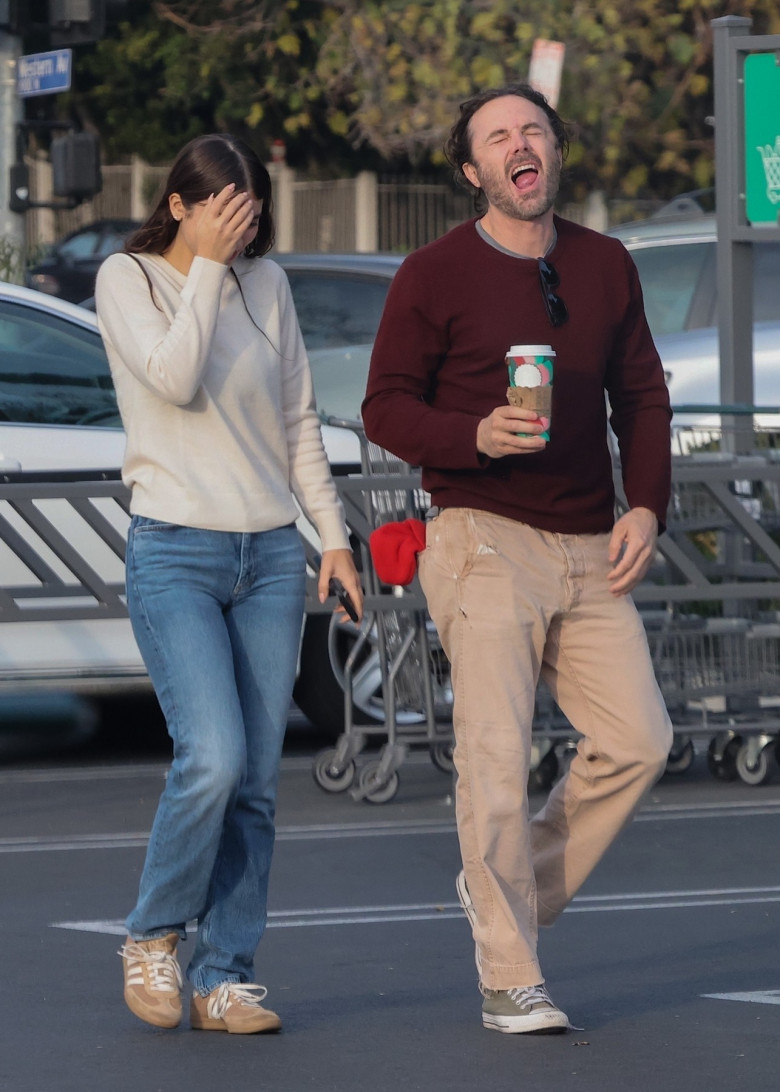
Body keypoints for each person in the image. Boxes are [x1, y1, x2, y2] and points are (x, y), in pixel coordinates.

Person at [362, 84, 673, 1035]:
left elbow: (645, 396)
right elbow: (384, 408)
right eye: (498, 137)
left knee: (641, 740)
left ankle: (506, 893)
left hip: (589, 544)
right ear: (474, 172)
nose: (519, 143)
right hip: (482, 532)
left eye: (532, 128)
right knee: (495, 758)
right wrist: (474, 435)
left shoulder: (607, 263)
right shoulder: (433, 271)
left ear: (554, 152)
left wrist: (649, 504)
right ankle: (510, 978)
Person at [95, 133, 362, 1034]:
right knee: (209, 757)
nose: (240, 227)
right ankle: (152, 935)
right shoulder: (126, 280)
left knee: (254, 779)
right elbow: (171, 381)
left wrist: (332, 537)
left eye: (251, 212)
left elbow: (296, 420)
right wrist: (207, 268)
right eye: (223, 208)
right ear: (181, 204)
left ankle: (224, 973)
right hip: (174, 548)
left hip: (270, 556)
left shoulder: (270, 284)